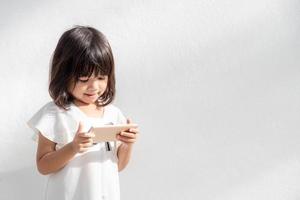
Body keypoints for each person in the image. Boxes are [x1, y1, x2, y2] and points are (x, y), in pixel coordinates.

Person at [27, 25, 139, 200]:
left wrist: (128, 145)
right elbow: (43, 165)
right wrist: (73, 148)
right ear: (64, 75)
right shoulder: (55, 113)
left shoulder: (113, 114)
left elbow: (117, 166)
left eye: (101, 78)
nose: (94, 87)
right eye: (84, 79)